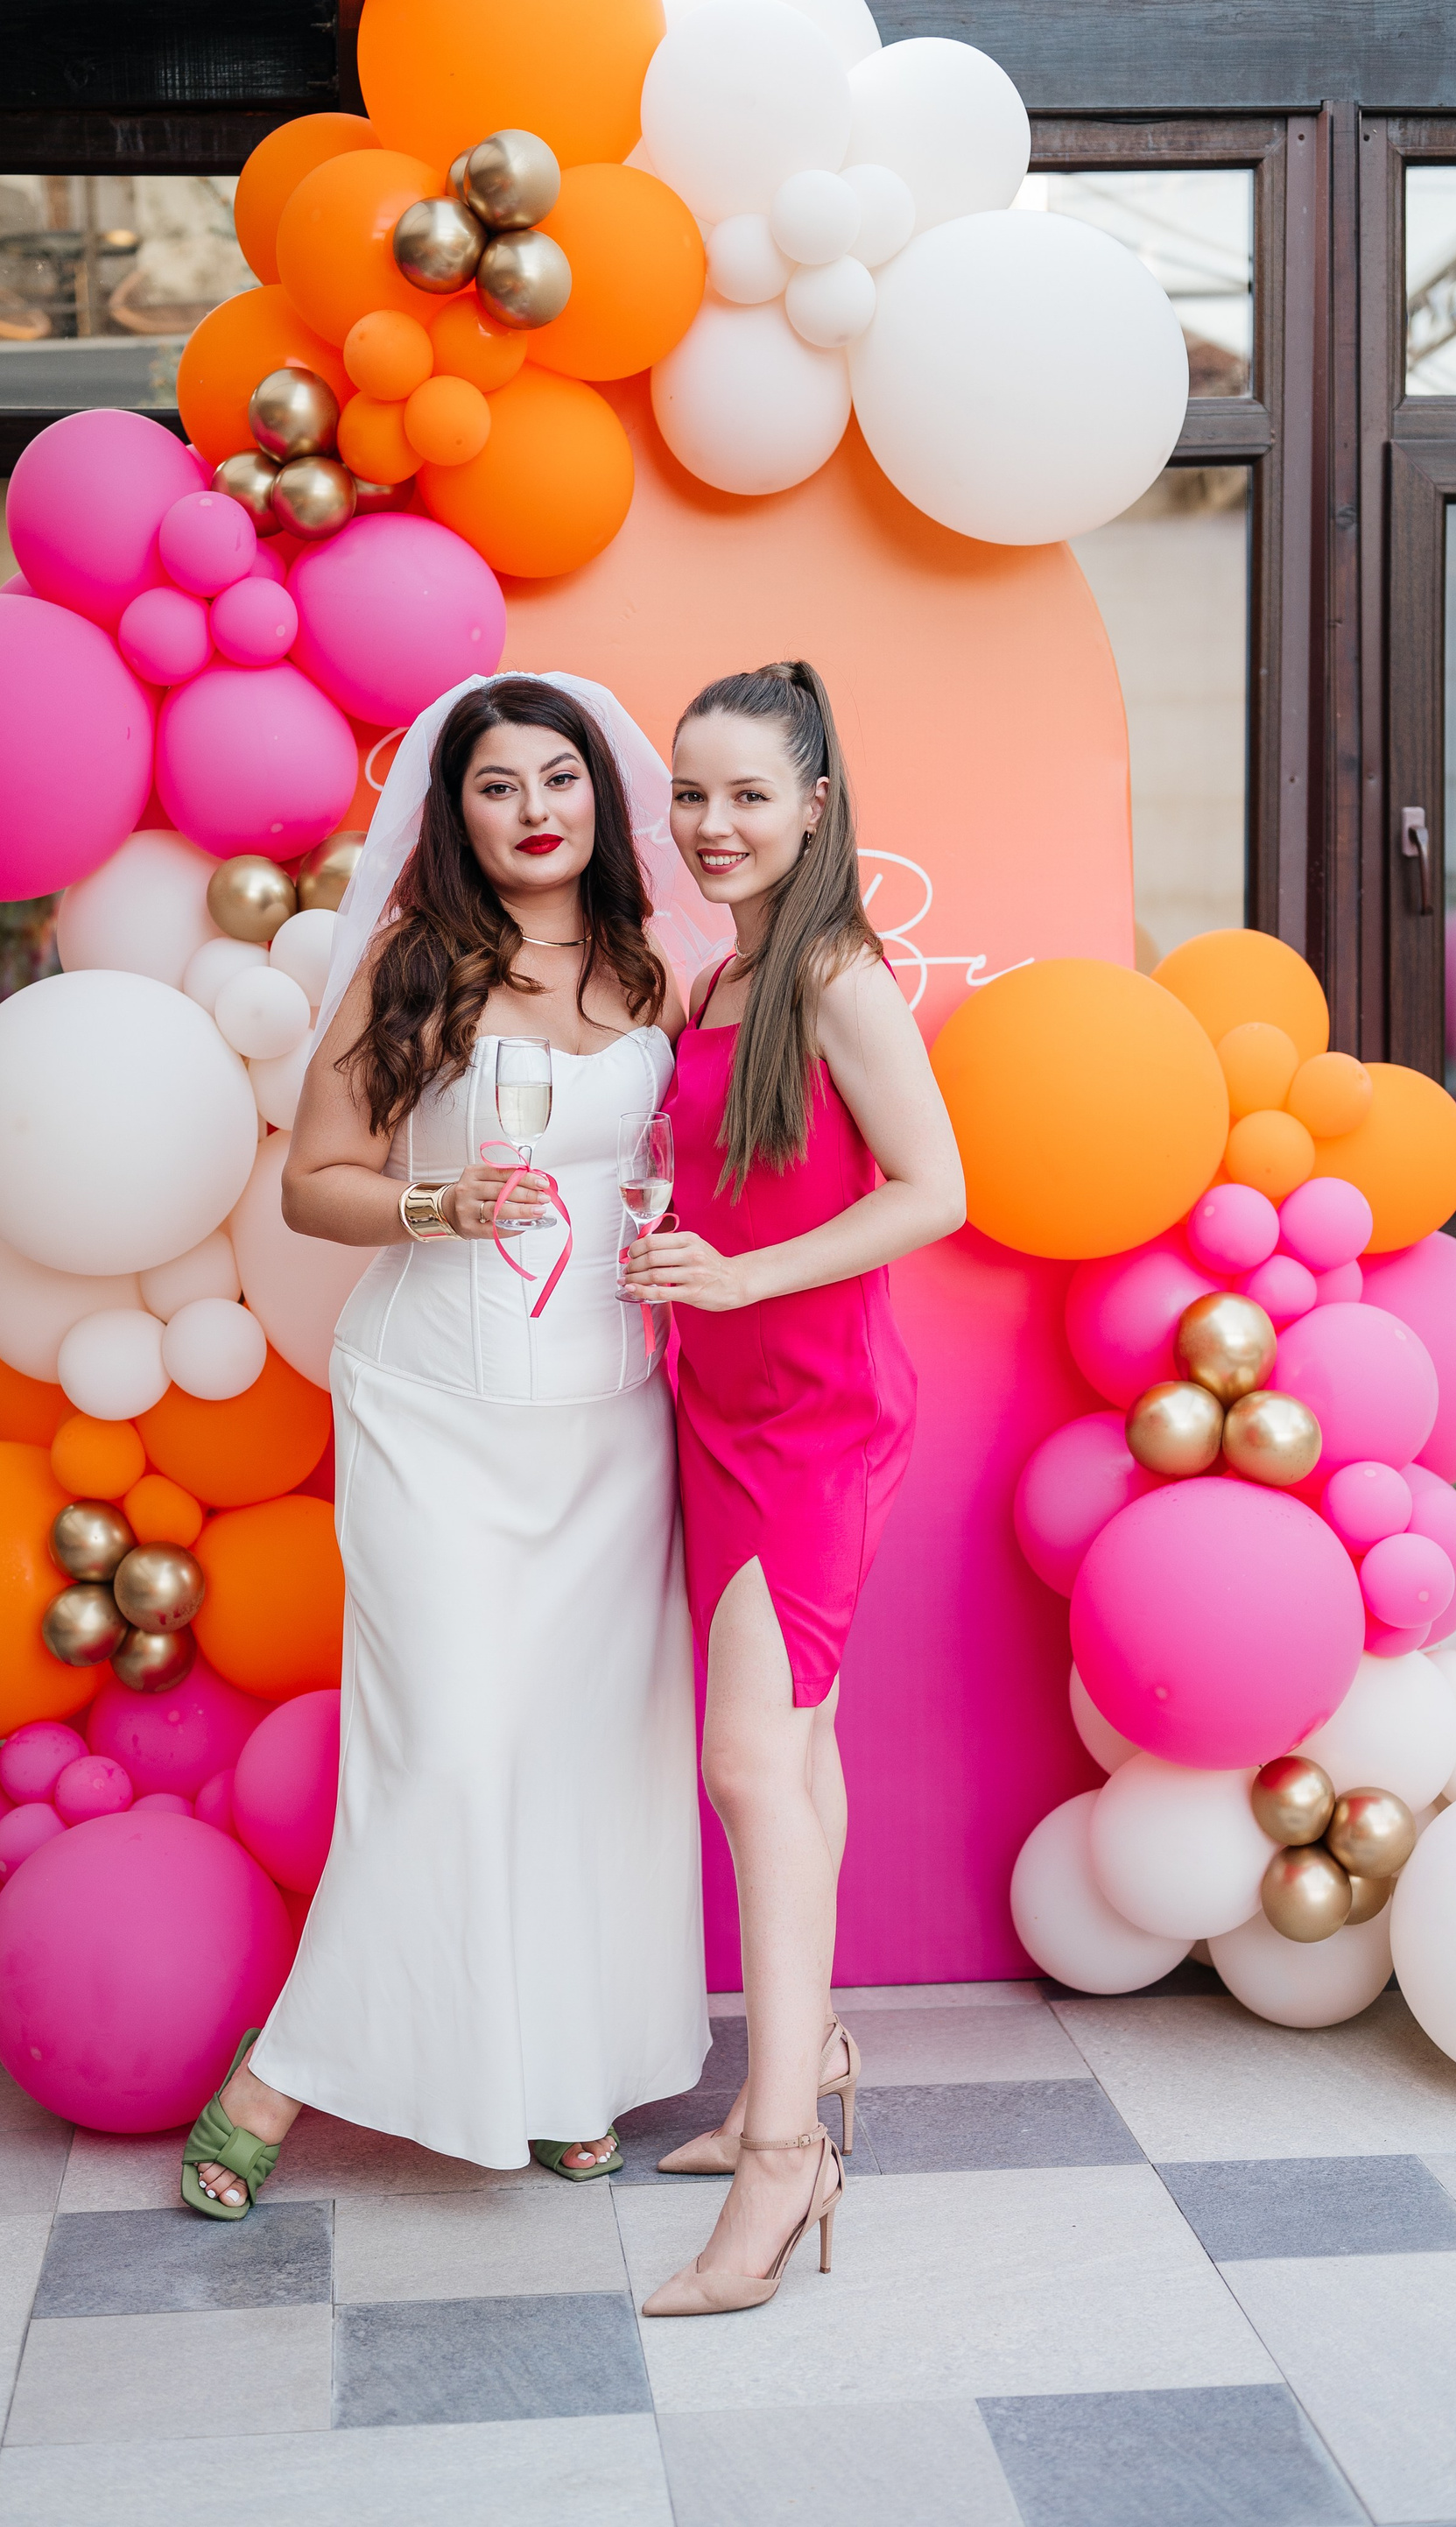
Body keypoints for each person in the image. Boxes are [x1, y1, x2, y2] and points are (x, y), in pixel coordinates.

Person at [183, 672, 710, 2216]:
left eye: (560, 777)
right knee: (452, 1745)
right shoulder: (412, 964)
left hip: (611, 1423)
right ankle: (277, 2077)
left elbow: (669, 1158)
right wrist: (438, 1201)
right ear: (454, 811)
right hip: (433, 1409)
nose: (535, 808)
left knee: (583, 1756)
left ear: (600, 797)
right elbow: (312, 1182)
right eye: (498, 784)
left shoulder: (650, 968)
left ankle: (558, 2073)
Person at [622, 660, 967, 2315]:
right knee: (797, 1754)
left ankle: (782, 2155)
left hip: (815, 1418)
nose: (714, 824)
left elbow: (936, 1188)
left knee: (749, 1764)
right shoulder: (723, 974)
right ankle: (807, 2053)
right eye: (691, 794)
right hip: (724, 1405)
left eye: (749, 794)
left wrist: (746, 1279)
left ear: (816, 805)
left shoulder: (831, 971)